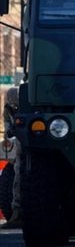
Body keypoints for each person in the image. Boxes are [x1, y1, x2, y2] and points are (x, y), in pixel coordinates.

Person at [1, 87, 21, 229]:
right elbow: (7, 124)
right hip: (19, 142)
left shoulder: (27, 104)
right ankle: (17, 212)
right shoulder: (8, 109)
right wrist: (8, 133)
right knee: (17, 172)